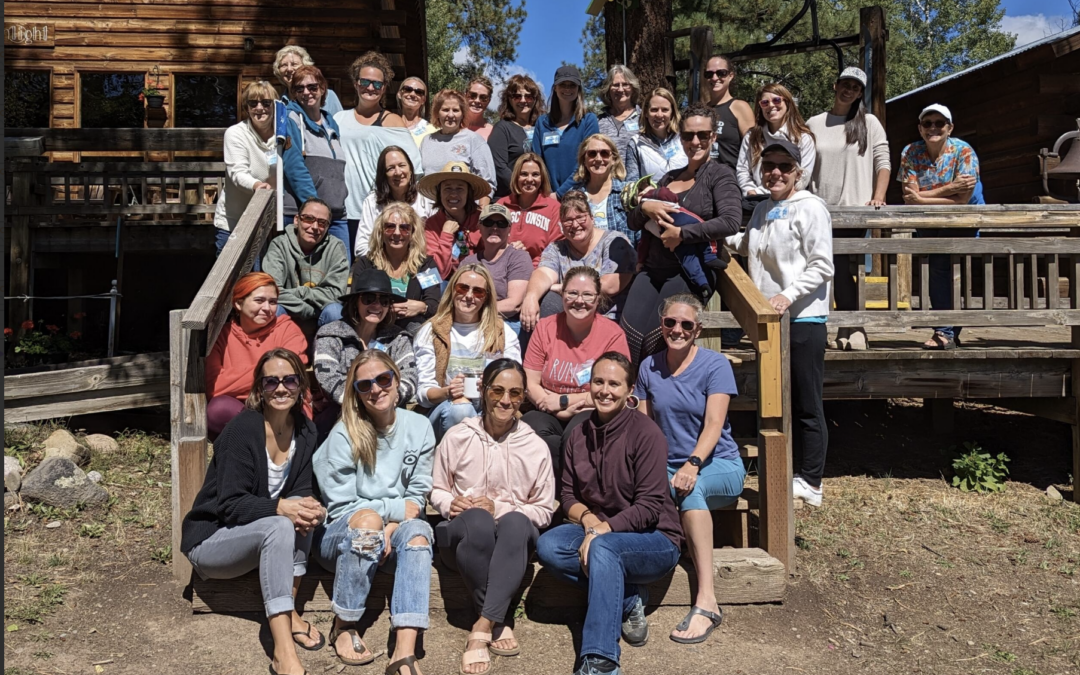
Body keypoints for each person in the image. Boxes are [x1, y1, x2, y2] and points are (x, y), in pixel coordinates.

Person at [535, 352, 684, 675]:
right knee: (549, 546)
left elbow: (649, 507)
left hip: (654, 538)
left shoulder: (646, 434)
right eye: (598, 382)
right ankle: (628, 597)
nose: (605, 390)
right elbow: (568, 495)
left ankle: (601, 660)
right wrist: (590, 522)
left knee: (603, 548)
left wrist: (602, 531)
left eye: (614, 384)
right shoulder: (578, 434)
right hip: (601, 531)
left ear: (629, 391)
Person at [182, 347, 325, 675]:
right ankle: (283, 652)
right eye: (271, 381)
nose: (281, 388)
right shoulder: (241, 430)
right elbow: (230, 506)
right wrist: (279, 507)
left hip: (258, 535)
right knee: (281, 522)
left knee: (302, 511)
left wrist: (311, 508)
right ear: (259, 388)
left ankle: (289, 612)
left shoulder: (306, 430)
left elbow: (302, 489)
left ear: (301, 385)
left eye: (290, 380)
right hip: (213, 541)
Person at [312, 350, 435, 674]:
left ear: (397, 380)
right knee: (367, 524)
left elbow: (417, 496)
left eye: (383, 379)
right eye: (365, 385)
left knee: (419, 535)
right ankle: (344, 623)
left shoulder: (420, 427)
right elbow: (342, 506)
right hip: (340, 538)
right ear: (356, 393)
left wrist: (391, 529)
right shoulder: (344, 434)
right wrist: (391, 512)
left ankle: (404, 651)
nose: (376, 389)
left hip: (394, 530)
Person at [725, 138, 833, 508]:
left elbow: (822, 264)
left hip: (803, 319)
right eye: (769, 165)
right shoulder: (763, 209)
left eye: (784, 167)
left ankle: (812, 480)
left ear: (797, 173)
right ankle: (783, 471)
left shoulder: (811, 207)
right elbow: (749, 244)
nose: (775, 173)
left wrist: (788, 295)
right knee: (776, 402)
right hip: (769, 319)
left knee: (806, 402)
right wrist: (714, 234)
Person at [431, 359, 555, 675]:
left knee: (515, 521)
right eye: (497, 391)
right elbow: (436, 489)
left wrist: (498, 508)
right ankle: (498, 619)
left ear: (524, 396)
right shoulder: (457, 436)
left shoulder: (535, 446)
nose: (505, 400)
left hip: (513, 543)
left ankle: (483, 624)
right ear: (483, 390)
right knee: (477, 520)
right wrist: (450, 503)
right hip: (464, 539)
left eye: (515, 393)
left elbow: (543, 510)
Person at [633, 294, 745, 644]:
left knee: (689, 490)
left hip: (717, 463)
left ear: (698, 329)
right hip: (667, 465)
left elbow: (714, 424)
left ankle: (707, 601)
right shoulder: (648, 366)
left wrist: (693, 464)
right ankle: (632, 586)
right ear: (661, 325)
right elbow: (645, 426)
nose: (677, 330)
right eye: (670, 322)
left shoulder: (715, 365)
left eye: (686, 324)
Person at [623, 103, 742, 365]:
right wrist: (644, 208)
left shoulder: (720, 175)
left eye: (703, 135)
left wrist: (682, 233)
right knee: (628, 336)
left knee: (656, 338)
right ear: (681, 138)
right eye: (688, 135)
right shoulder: (668, 178)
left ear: (713, 136)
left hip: (689, 271)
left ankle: (656, 389)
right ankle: (632, 389)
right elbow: (633, 222)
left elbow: (731, 221)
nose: (695, 141)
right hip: (653, 268)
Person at [808, 67, 890, 352]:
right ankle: (831, 329)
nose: (849, 90)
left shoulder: (868, 122)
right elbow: (803, 165)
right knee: (822, 269)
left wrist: (878, 196)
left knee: (843, 267)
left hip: (854, 209)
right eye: (845, 84)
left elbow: (882, 160)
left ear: (860, 93)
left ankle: (853, 327)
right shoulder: (814, 123)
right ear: (835, 85)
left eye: (856, 87)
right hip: (819, 210)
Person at [520, 266, 631, 463]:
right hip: (547, 406)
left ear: (598, 299)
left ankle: (572, 481)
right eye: (572, 293)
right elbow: (530, 381)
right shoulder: (545, 328)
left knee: (578, 435)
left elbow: (615, 390)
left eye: (587, 295)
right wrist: (550, 405)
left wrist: (564, 401)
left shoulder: (612, 335)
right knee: (529, 428)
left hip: (591, 409)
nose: (579, 301)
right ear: (562, 294)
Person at [898, 103, 984, 351]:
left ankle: (944, 331)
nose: (933, 128)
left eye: (939, 123)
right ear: (920, 128)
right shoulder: (910, 151)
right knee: (939, 268)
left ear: (950, 128)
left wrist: (922, 197)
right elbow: (908, 197)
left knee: (941, 266)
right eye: (927, 123)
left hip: (962, 217)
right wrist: (949, 189)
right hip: (929, 219)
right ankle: (949, 331)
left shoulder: (964, 151)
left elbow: (962, 200)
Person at [414, 264, 521, 441]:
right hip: (446, 411)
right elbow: (424, 394)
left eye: (478, 291)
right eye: (462, 288)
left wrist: (492, 385)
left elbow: (515, 381)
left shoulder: (502, 332)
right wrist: (448, 392)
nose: (469, 296)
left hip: (490, 410)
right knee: (462, 409)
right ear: (452, 290)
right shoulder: (431, 331)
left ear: (486, 298)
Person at [335, 51, 423, 257]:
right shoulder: (338, 119)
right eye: (365, 81)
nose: (370, 88)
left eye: (377, 84)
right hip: (342, 210)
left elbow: (413, 166)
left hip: (376, 209)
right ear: (356, 83)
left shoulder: (392, 121)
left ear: (384, 88)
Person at [313, 268, 419, 439]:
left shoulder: (398, 337)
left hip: (390, 416)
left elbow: (410, 377)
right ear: (356, 302)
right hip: (344, 416)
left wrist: (386, 402)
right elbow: (328, 379)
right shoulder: (330, 334)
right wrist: (368, 403)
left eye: (384, 301)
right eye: (369, 299)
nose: (376, 306)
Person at [205, 273, 309, 440]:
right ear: (238, 303)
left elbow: (289, 377)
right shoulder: (221, 336)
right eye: (259, 301)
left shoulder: (288, 330)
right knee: (219, 408)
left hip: (283, 405)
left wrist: (234, 380)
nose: (267, 308)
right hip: (240, 411)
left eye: (273, 302)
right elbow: (214, 386)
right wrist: (268, 376)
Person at [520, 191, 636, 326]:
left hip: (608, 319)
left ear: (592, 218)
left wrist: (562, 288)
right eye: (568, 220)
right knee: (546, 300)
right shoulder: (557, 248)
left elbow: (610, 286)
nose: (575, 225)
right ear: (561, 225)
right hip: (570, 321)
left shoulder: (615, 241)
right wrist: (531, 297)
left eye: (581, 218)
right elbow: (544, 274)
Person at [281, 65, 350, 257]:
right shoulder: (291, 119)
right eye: (299, 88)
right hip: (305, 216)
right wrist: (314, 208)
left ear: (322, 89)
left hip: (336, 214)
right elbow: (293, 166)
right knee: (305, 271)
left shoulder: (331, 123)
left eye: (312, 87)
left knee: (340, 268)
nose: (306, 92)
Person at [350, 203, 442, 337]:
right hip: (373, 327)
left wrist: (422, 307)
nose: (397, 233)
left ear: (413, 232)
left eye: (404, 228)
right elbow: (353, 303)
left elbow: (434, 303)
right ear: (381, 231)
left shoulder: (426, 265)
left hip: (411, 328)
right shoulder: (366, 264)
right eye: (390, 227)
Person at [263, 197, 350, 329]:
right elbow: (272, 292)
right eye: (308, 219)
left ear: (328, 227)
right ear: (296, 220)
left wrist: (301, 293)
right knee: (274, 309)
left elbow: (336, 294)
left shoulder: (336, 247)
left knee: (335, 311)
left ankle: (329, 343)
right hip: (291, 311)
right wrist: (307, 310)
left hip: (321, 314)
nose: (314, 227)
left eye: (322, 223)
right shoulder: (279, 245)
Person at [214, 80, 278, 257]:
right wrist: (257, 185)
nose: (260, 108)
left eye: (266, 103)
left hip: (270, 224)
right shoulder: (235, 133)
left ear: (275, 106)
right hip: (234, 223)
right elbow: (237, 172)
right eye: (253, 103)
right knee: (230, 274)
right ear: (246, 108)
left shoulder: (283, 135)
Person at [460, 204, 533, 335]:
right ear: (479, 227)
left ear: (509, 229)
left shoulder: (518, 257)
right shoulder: (468, 262)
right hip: (470, 320)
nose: (494, 227)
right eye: (488, 222)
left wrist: (475, 310)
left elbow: (514, 304)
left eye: (501, 224)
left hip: (506, 322)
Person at [736, 83, 816, 201]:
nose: (771, 105)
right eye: (765, 102)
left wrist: (767, 192)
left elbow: (803, 177)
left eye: (777, 100)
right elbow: (742, 170)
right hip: (756, 200)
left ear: (787, 103)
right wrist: (750, 191)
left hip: (790, 201)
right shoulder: (751, 137)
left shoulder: (803, 138)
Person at [354, 145, 436, 258]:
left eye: (402, 165)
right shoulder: (372, 202)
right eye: (391, 168)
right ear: (383, 175)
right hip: (382, 263)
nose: (397, 172)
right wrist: (391, 259)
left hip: (420, 260)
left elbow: (436, 240)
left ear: (410, 169)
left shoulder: (426, 197)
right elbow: (361, 248)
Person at [556, 134, 634, 246]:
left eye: (604, 153)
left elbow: (639, 234)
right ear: (584, 160)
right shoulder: (572, 195)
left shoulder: (628, 192)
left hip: (622, 255)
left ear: (613, 159)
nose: (598, 159)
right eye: (592, 154)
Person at [417, 161, 491, 279]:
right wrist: (446, 235)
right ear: (439, 193)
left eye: (460, 189)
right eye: (447, 188)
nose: (453, 194)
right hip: (445, 283)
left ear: (468, 193)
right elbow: (435, 274)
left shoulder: (482, 220)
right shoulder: (431, 226)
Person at [532, 65, 600, 190]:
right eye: (563, 84)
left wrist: (560, 193)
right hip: (548, 195)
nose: (567, 89)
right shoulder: (542, 123)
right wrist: (548, 194)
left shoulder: (589, 121)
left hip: (581, 193)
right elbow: (537, 162)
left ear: (579, 89)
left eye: (572, 85)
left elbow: (587, 162)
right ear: (555, 88)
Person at [420, 89, 497, 196]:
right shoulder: (427, 141)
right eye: (445, 110)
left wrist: (482, 206)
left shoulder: (473, 140)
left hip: (462, 204)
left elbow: (488, 184)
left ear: (462, 114)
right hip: (429, 203)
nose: (451, 115)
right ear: (437, 113)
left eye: (456, 110)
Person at [496, 154, 563, 266]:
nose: (529, 179)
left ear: (542, 178)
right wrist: (506, 249)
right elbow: (488, 242)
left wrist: (529, 266)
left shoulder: (554, 209)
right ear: (516, 176)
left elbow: (556, 249)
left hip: (540, 269)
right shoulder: (501, 205)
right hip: (503, 266)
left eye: (535, 174)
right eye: (524, 174)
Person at [489, 74, 545, 198]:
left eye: (529, 97)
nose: (523, 101)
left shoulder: (542, 127)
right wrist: (522, 189)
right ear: (509, 99)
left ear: (535, 100)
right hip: (510, 198)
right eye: (517, 96)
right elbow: (499, 167)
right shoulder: (502, 128)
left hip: (539, 197)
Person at [702, 55, 755, 170]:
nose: (714, 78)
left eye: (721, 73)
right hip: (704, 175)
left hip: (731, 176)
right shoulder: (702, 110)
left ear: (731, 76)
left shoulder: (740, 107)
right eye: (709, 74)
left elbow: (753, 148)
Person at [625, 87, 687, 184]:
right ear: (646, 113)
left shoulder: (685, 138)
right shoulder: (636, 144)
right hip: (653, 194)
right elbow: (632, 183)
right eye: (654, 110)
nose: (659, 115)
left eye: (665, 110)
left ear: (672, 113)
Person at [274, 45, 343, 116]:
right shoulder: (279, 102)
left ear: (305, 67)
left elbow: (339, 121)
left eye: (294, 64)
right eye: (284, 65)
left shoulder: (328, 96)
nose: (289, 69)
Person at [596, 65, 643, 164]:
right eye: (616, 85)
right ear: (608, 89)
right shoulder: (598, 121)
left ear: (633, 88)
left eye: (625, 84)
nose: (620, 89)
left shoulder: (644, 118)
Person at [398, 76, 437, 147]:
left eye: (419, 92)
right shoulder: (389, 127)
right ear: (399, 94)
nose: (412, 94)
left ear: (423, 100)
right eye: (408, 89)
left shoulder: (433, 131)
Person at [463, 76, 495, 140]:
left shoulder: (493, 132)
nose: (477, 101)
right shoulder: (451, 126)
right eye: (473, 95)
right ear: (465, 96)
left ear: (488, 101)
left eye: (483, 98)